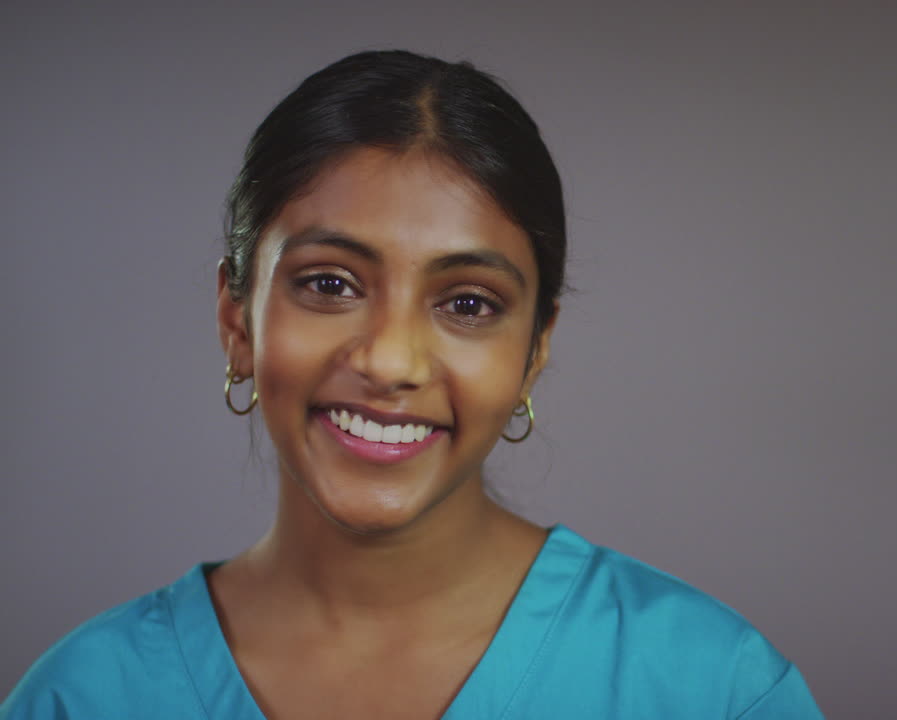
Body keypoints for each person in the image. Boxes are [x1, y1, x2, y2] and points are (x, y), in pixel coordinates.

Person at [1, 50, 823, 719]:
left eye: (468, 303)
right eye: (329, 284)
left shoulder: (713, 690)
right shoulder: (81, 699)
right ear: (237, 320)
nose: (392, 361)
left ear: (536, 349)